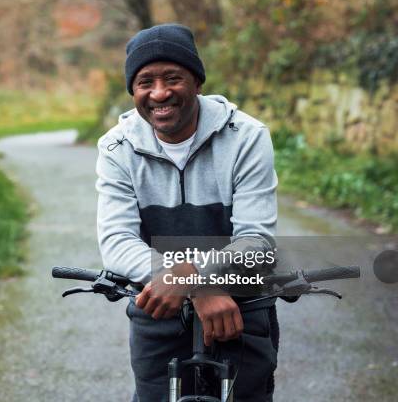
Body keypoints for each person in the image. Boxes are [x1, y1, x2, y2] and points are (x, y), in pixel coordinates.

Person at [96, 24, 279, 402]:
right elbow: (116, 240)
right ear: (133, 90)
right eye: (145, 81)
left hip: (240, 309)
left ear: (196, 81)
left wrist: (195, 277)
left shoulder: (246, 136)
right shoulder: (116, 148)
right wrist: (186, 282)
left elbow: (257, 239)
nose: (160, 93)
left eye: (173, 78)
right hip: (158, 309)